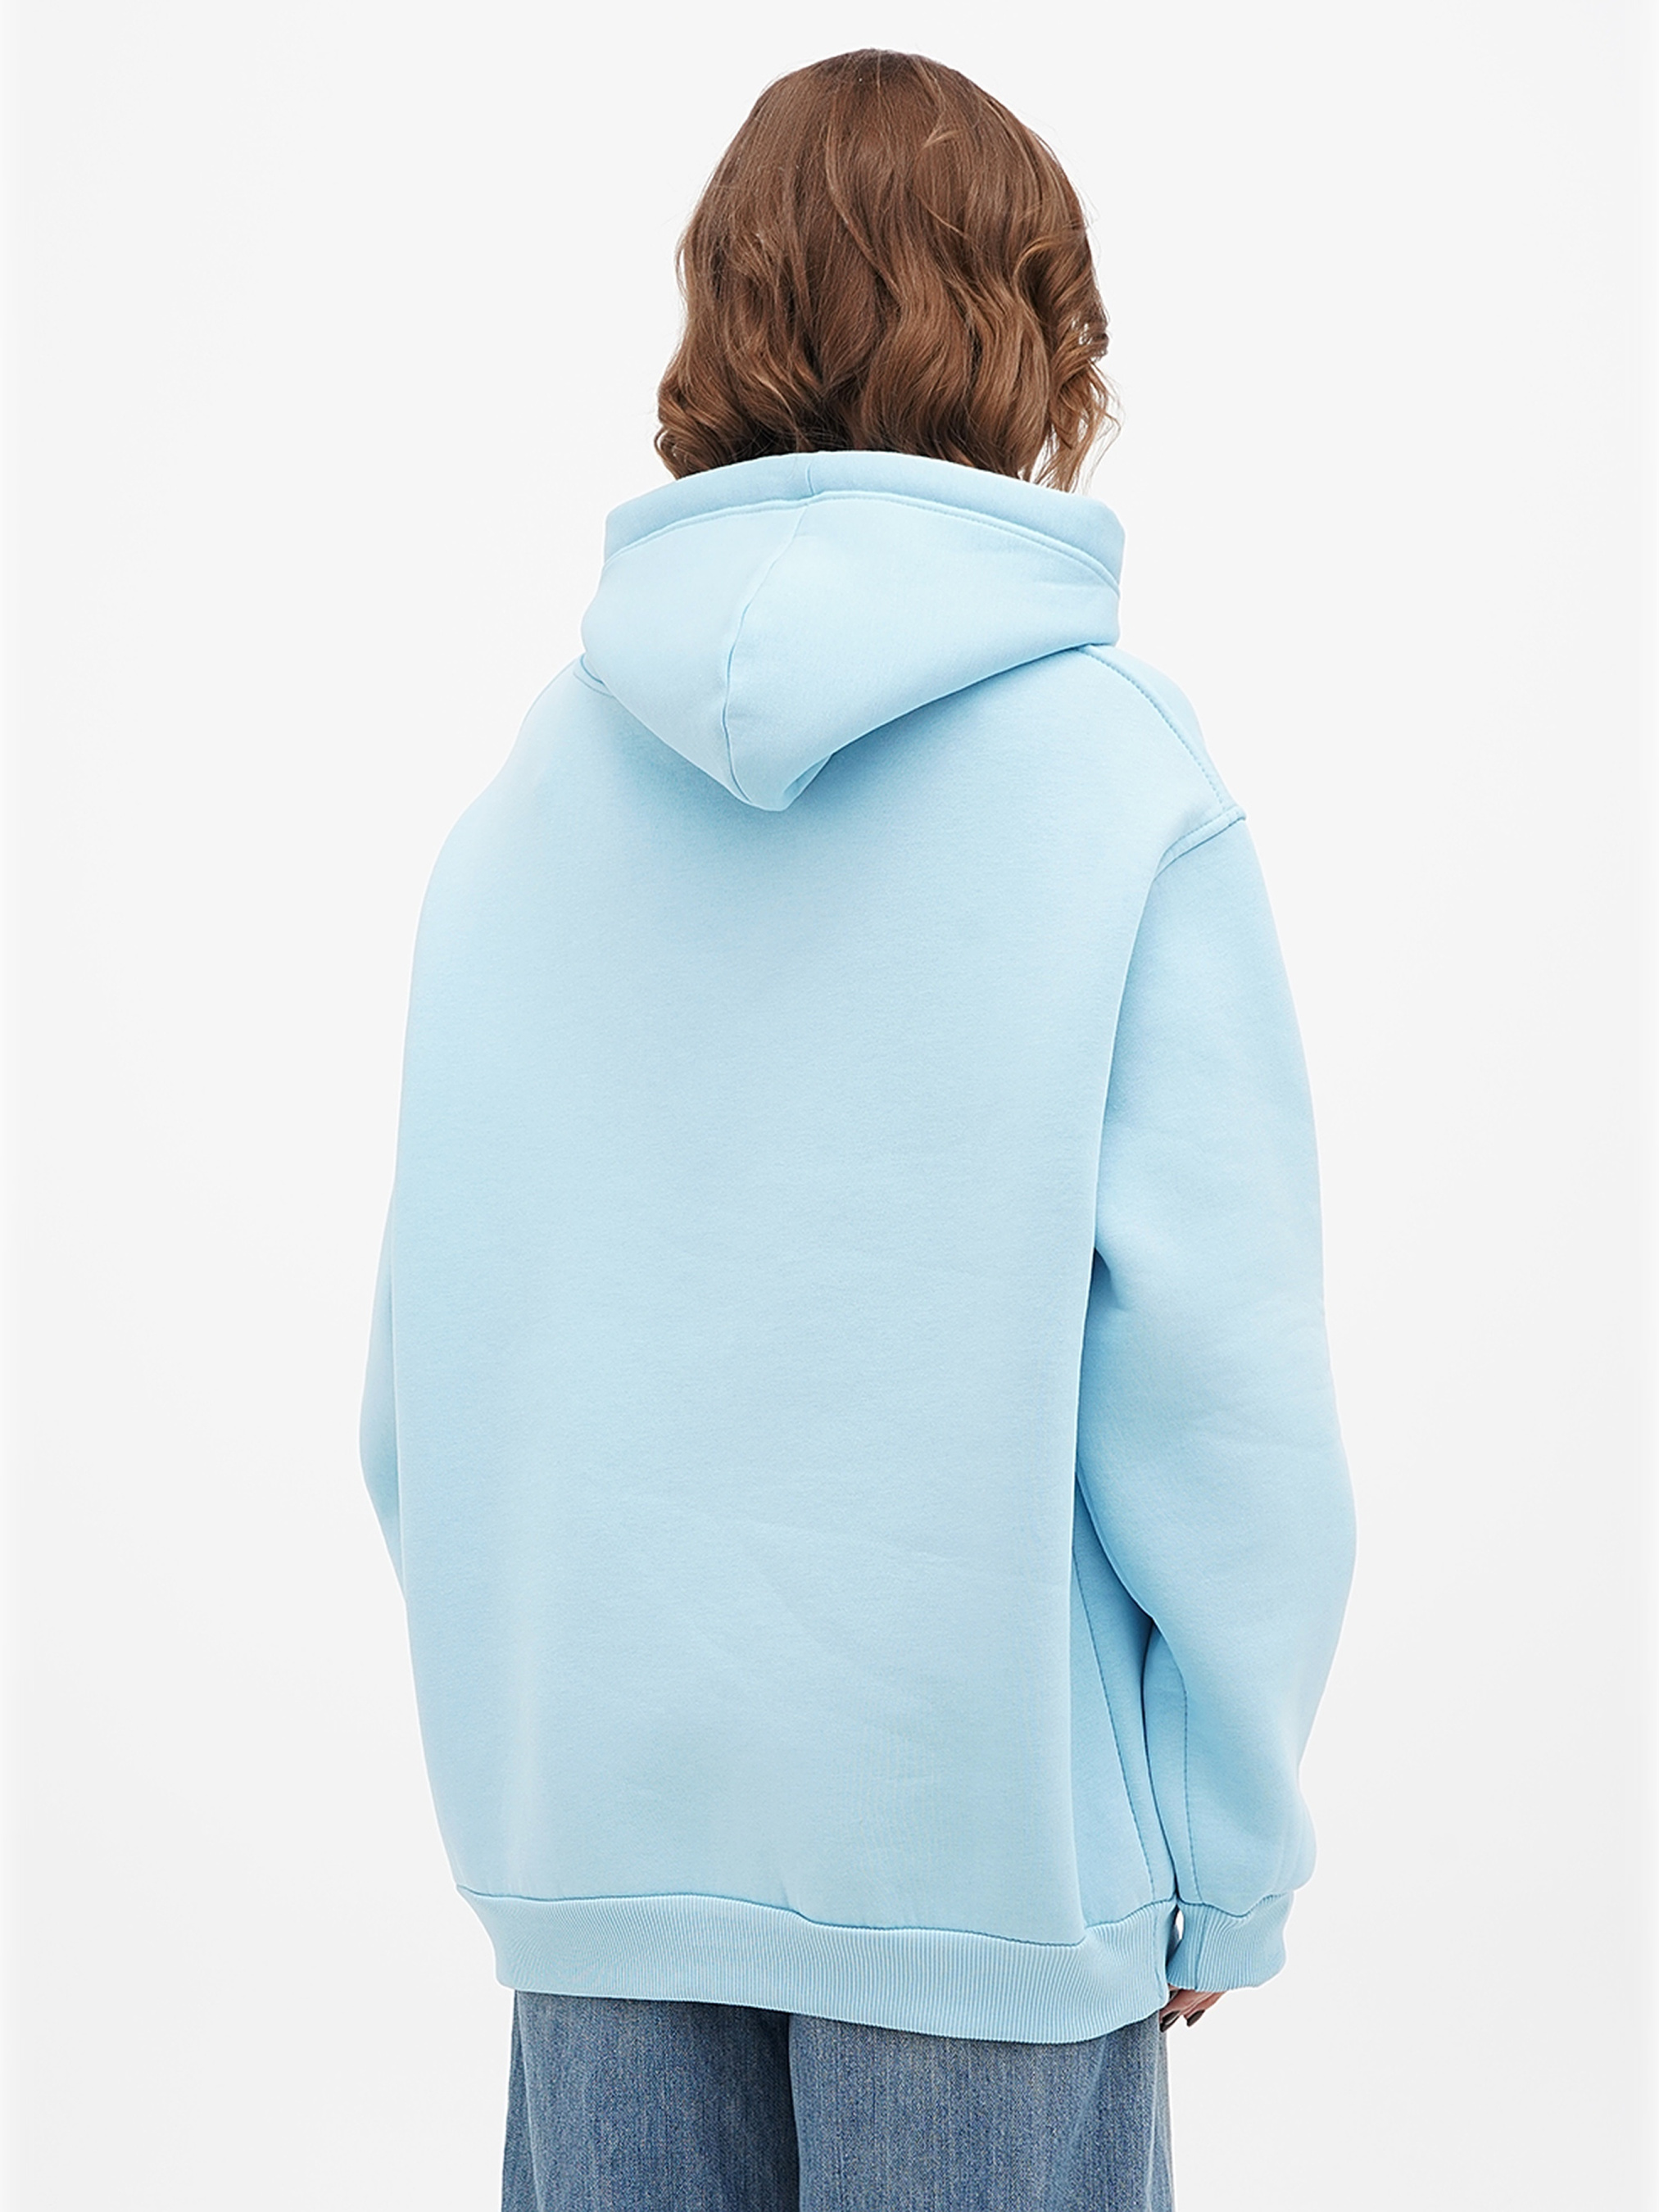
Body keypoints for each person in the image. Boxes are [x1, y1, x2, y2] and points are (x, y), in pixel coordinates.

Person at [360, 48, 1355, 2212]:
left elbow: (418, 1389)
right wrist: (1225, 1853)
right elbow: (1218, 1396)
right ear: (1038, 336)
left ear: (721, 316)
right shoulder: (1116, 781)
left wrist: (543, 1790)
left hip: (595, 1854)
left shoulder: (524, 801)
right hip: (989, 1864)